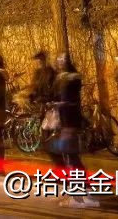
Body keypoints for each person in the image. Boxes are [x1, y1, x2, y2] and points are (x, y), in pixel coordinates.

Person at [49, 54, 99, 209]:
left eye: (61, 61)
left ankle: (79, 198)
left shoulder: (68, 80)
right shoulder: (65, 79)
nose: (58, 64)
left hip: (69, 122)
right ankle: (85, 194)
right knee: (71, 158)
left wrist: (58, 104)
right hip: (68, 122)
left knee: (71, 159)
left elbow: (69, 102)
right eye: (58, 61)